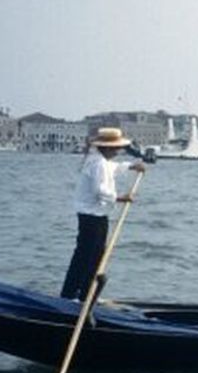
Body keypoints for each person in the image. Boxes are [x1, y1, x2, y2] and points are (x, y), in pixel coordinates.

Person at [61, 127, 146, 300]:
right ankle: (74, 295)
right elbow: (100, 190)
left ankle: (84, 294)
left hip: (97, 215)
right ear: (107, 148)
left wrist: (131, 166)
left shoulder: (101, 161)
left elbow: (113, 168)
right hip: (91, 216)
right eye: (115, 148)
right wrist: (121, 198)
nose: (118, 150)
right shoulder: (97, 163)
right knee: (87, 256)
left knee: (95, 255)